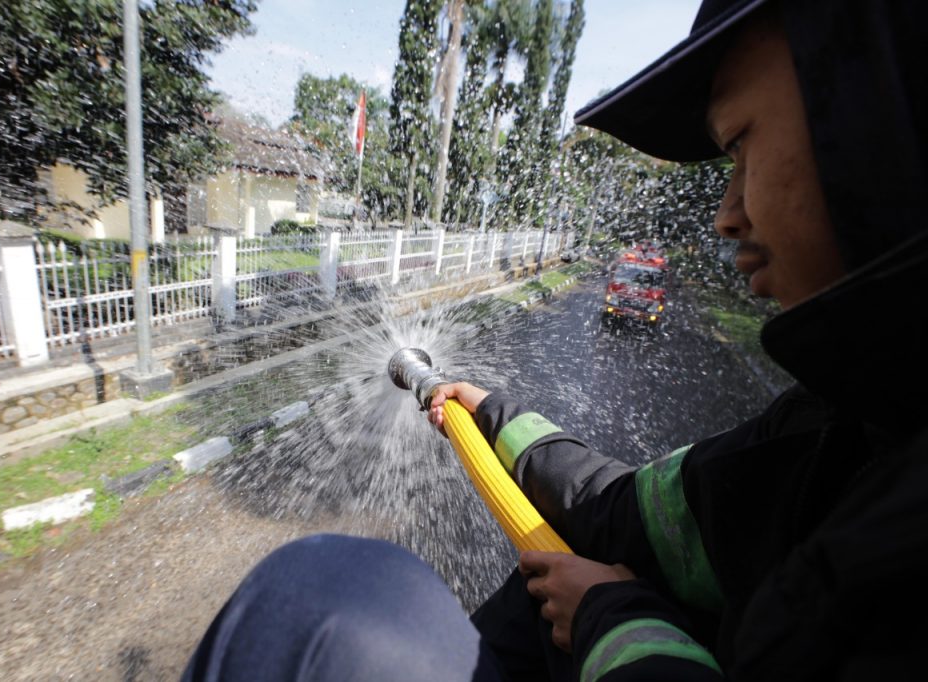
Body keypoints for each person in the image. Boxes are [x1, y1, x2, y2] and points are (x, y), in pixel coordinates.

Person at [183, 0, 928, 679]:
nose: (727, 214)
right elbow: (628, 512)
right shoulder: (841, 427)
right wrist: (492, 414)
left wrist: (614, 621)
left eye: (739, 147)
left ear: (878, 110)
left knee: (321, 603)